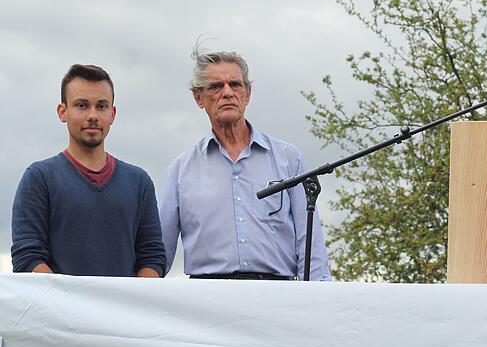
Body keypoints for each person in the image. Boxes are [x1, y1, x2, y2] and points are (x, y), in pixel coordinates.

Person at [159, 50, 331, 280]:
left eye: (235, 85)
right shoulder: (180, 171)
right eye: (216, 86)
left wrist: (318, 299)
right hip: (206, 300)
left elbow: (310, 244)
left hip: (277, 295)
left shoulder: (288, 159)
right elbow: (159, 253)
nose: (228, 93)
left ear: (247, 94)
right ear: (198, 98)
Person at [11, 64, 167, 277]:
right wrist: (70, 306)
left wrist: (133, 305)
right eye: (82, 106)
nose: (92, 115)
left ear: (112, 114)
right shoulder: (39, 178)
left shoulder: (139, 182)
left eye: (101, 106)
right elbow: (27, 257)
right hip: (58, 310)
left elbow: (152, 256)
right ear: (62, 111)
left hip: (124, 310)